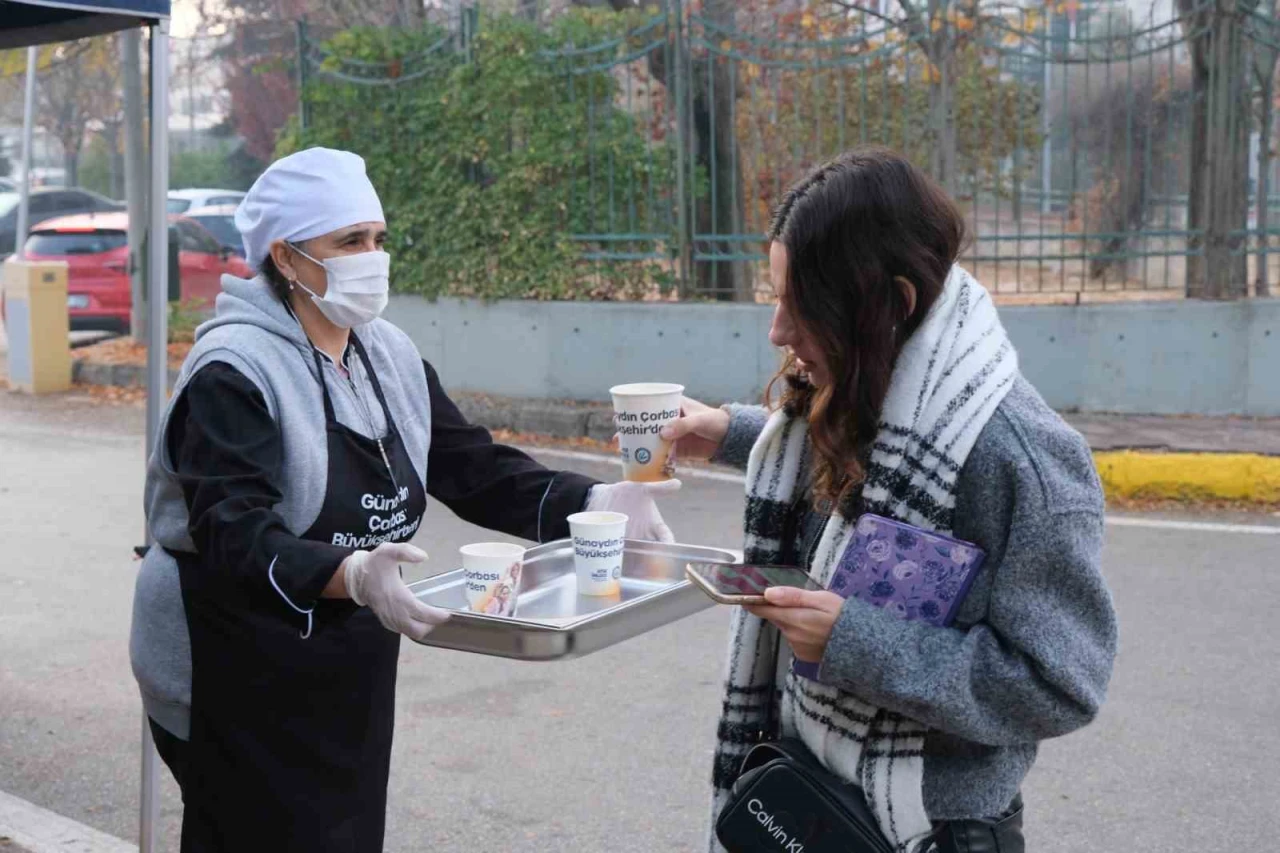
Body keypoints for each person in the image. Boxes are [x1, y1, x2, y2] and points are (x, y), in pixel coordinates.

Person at [129, 147, 676, 852]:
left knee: (341, 830)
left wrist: (598, 499)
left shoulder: (386, 352)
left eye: (378, 238)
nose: (372, 257)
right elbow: (237, 537)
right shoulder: (232, 373)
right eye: (349, 241)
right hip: (228, 654)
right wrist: (352, 572)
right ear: (286, 258)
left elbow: (473, 466)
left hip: (348, 645)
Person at [663, 148, 1118, 853]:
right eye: (775, 295)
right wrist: (730, 432)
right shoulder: (880, 389)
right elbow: (858, 462)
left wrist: (852, 642)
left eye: (800, 303)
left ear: (895, 304)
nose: (778, 331)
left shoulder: (1020, 459)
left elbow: (1057, 684)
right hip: (814, 787)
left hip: (933, 831)